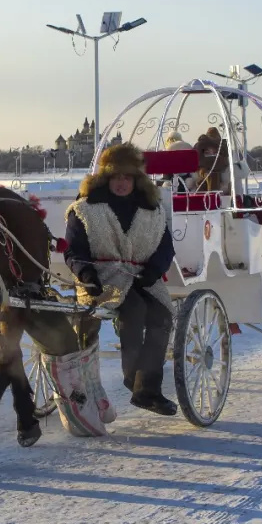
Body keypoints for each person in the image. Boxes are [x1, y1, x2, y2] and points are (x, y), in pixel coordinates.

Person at [64, 143, 178, 416]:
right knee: (134, 309)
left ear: (137, 179)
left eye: (127, 177)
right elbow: (73, 250)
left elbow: (165, 248)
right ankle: (136, 381)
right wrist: (86, 274)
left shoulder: (152, 210)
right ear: (105, 178)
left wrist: (153, 270)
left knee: (162, 315)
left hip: (143, 277)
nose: (121, 183)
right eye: (115, 176)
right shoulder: (85, 208)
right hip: (102, 279)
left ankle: (146, 386)